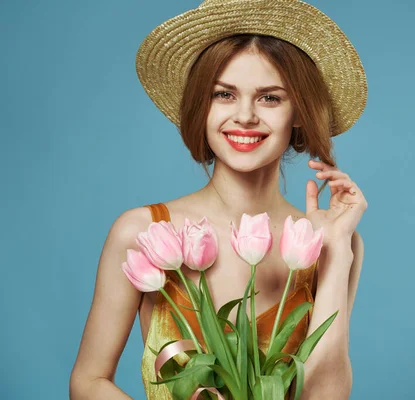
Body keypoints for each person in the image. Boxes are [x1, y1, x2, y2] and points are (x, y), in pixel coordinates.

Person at [70, 0, 368, 399]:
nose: (244, 116)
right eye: (224, 94)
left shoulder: (332, 242)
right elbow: (88, 382)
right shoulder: (144, 231)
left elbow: (326, 396)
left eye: (270, 98)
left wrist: (335, 254)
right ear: (202, 105)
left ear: (299, 112)